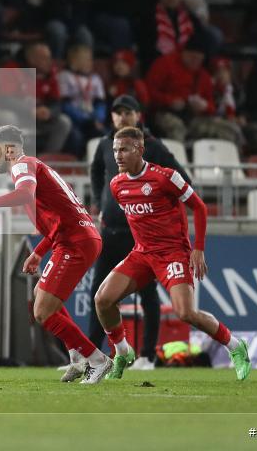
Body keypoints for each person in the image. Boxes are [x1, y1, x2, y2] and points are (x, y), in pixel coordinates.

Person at [91, 126, 251, 383]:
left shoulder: (166, 177)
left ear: (140, 149)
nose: (118, 155)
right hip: (142, 254)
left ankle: (235, 346)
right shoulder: (116, 184)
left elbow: (198, 207)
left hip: (172, 254)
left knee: (185, 313)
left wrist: (197, 248)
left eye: (124, 149)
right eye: (115, 150)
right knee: (102, 299)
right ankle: (122, 352)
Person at [0, 125, 111, 384]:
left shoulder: (22, 165)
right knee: (41, 299)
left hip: (75, 242)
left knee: (42, 311)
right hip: (74, 238)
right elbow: (59, 217)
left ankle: (97, 360)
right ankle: (77, 357)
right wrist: (39, 253)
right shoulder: (35, 167)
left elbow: (24, 194)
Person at [88, 95, 190, 368]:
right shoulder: (104, 145)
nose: (122, 117)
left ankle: (147, 355)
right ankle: (93, 355)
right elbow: (96, 171)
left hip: (141, 236)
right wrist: (99, 202)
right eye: (117, 113)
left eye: (127, 112)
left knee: (147, 296)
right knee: (99, 293)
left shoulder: (153, 147)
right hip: (110, 231)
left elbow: (183, 184)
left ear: (138, 116)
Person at [58, 43, 106, 155]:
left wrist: (98, 118)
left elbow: (100, 103)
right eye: (86, 59)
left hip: (92, 119)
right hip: (74, 120)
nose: (91, 63)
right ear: (74, 61)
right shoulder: (65, 76)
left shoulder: (95, 79)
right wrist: (85, 119)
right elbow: (65, 104)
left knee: (103, 134)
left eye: (90, 59)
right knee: (76, 137)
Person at [25, 42, 71, 154]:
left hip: (41, 120)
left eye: (49, 58)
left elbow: (57, 103)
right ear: (32, 59)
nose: (49, 62)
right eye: (44, 58)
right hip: (21, 117)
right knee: (6, 116)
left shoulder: (51, 76)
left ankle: (46, 161)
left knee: (64, 122)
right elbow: (5, 100)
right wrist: (30, 111)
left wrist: (49, 112)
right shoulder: (17, 72)